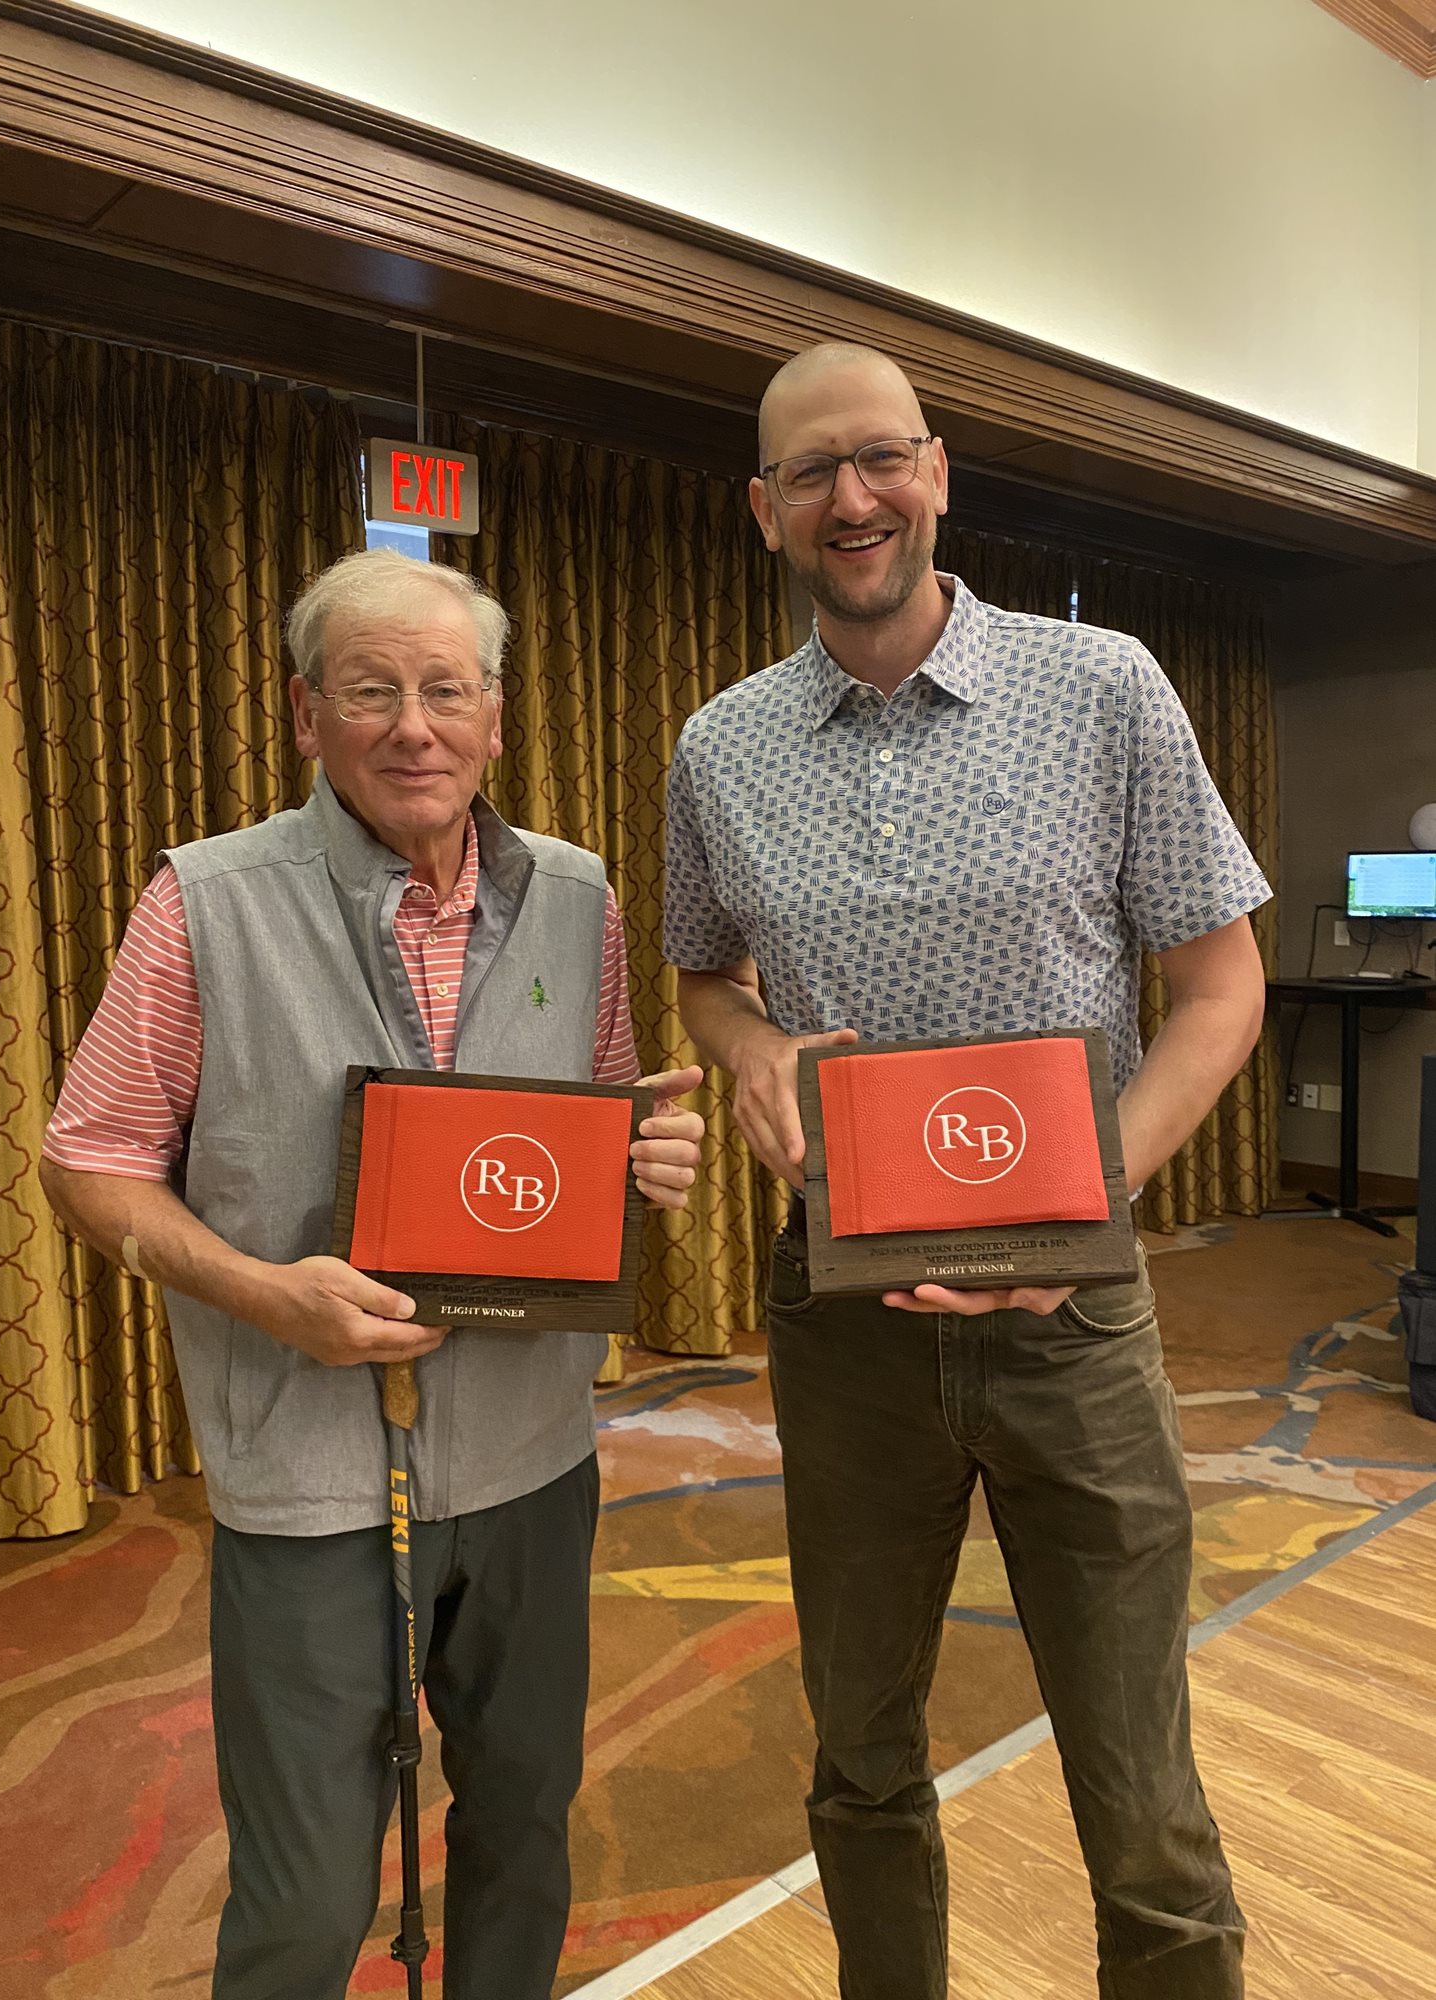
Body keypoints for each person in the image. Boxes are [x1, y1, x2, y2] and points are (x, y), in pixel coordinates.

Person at [664, 343, 1267, 1998]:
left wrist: (1088, 1204)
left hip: (1075, 1321)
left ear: (940, 471)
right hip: (843, 1324)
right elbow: (705, 974)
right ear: (766, 509)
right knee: (861, 1761)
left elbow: (1222, 993)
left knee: (1140, 1793)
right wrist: (754, 1051)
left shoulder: (1106, 687)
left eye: (879, 461)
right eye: (810, 475)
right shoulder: (721, 747)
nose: (850, 501)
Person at [40, 548, 704, 2000]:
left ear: (497, 721)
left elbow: (589, 1121)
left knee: (525, 1825)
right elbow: (85, 1160)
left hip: (535, 1461)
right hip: (308, 1474)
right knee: (309, 1888)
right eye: (372, 691)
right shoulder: (203, 903)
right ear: (306, 717)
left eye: (446, 691)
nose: (415, 725)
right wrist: (269, 1295)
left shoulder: (578, 897)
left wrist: (642, 1162)